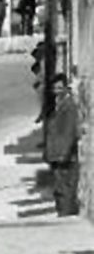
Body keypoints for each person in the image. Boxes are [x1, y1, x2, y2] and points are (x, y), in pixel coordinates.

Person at [44, 73, 80, 216]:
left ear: (65, 87)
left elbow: (70, 132)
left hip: (64, 157)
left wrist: (63, 155)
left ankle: (66, 220)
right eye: (55, 88)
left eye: (60, 88)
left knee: (65, 191)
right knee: (59, 190)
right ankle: (63, 215)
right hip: (57, 155)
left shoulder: (69, 106)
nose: (57, 90)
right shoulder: (58, 104)